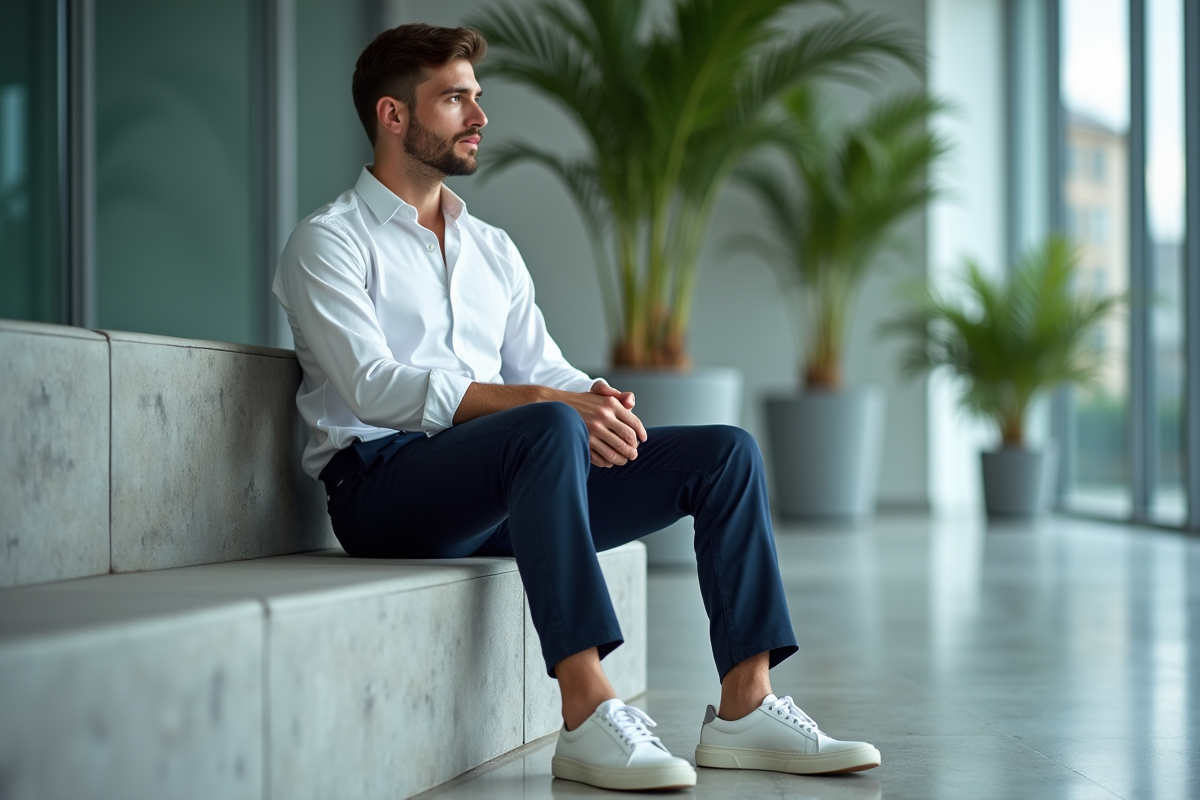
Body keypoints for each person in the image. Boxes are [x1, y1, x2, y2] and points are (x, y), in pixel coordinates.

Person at [273, 22, 881, 792]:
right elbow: (371, 385)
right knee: (547, 422)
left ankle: (745, 705)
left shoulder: (489, 246)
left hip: (506, 479)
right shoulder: (329, 242)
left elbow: (543, 367)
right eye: (455, 99)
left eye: (477, 97)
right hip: (383, 490)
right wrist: (546, 404)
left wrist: (593, 397)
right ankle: (587, 711)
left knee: (726, 453)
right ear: (394, 116)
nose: (479, 115)